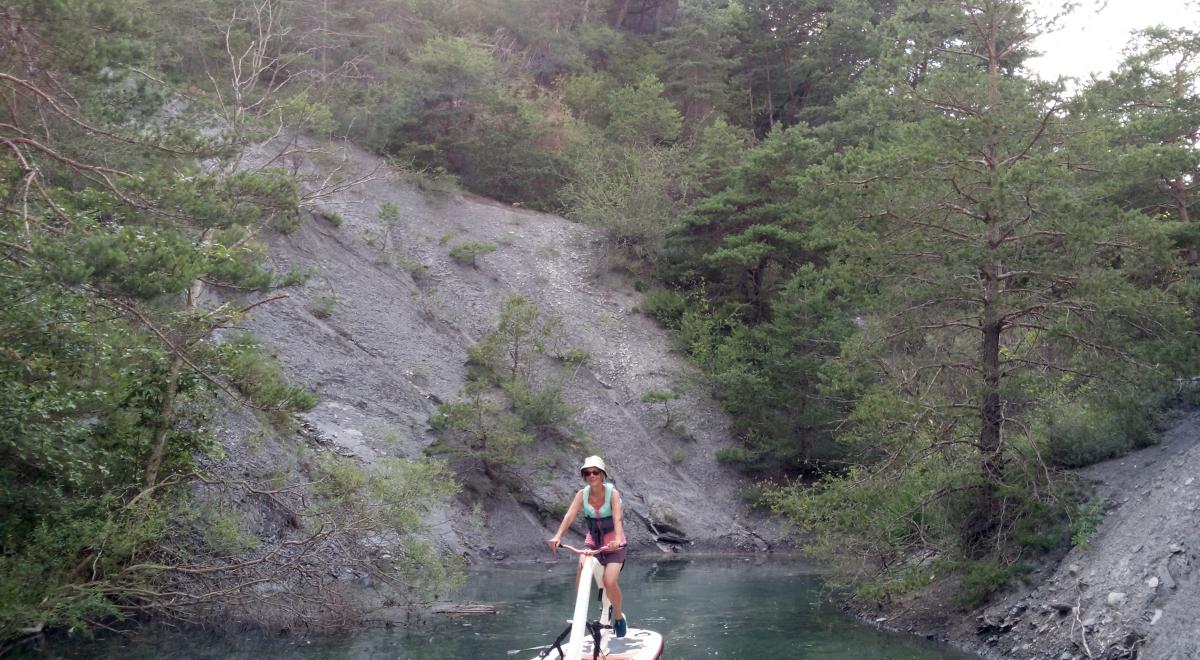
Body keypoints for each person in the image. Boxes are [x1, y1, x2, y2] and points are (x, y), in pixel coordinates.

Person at [547, 455, 628, 637]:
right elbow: (570, 515)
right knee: (582, 566)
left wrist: (616, 539)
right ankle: (580, 611)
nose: (591, 476)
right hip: (594, 540)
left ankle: (618, 616)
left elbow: (617, 518)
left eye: (595, 472)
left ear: (602, 475)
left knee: (609, 581)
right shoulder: (581, 495)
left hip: (615, 541)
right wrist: (558, 536)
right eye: (587, 473)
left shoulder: (612, 493)